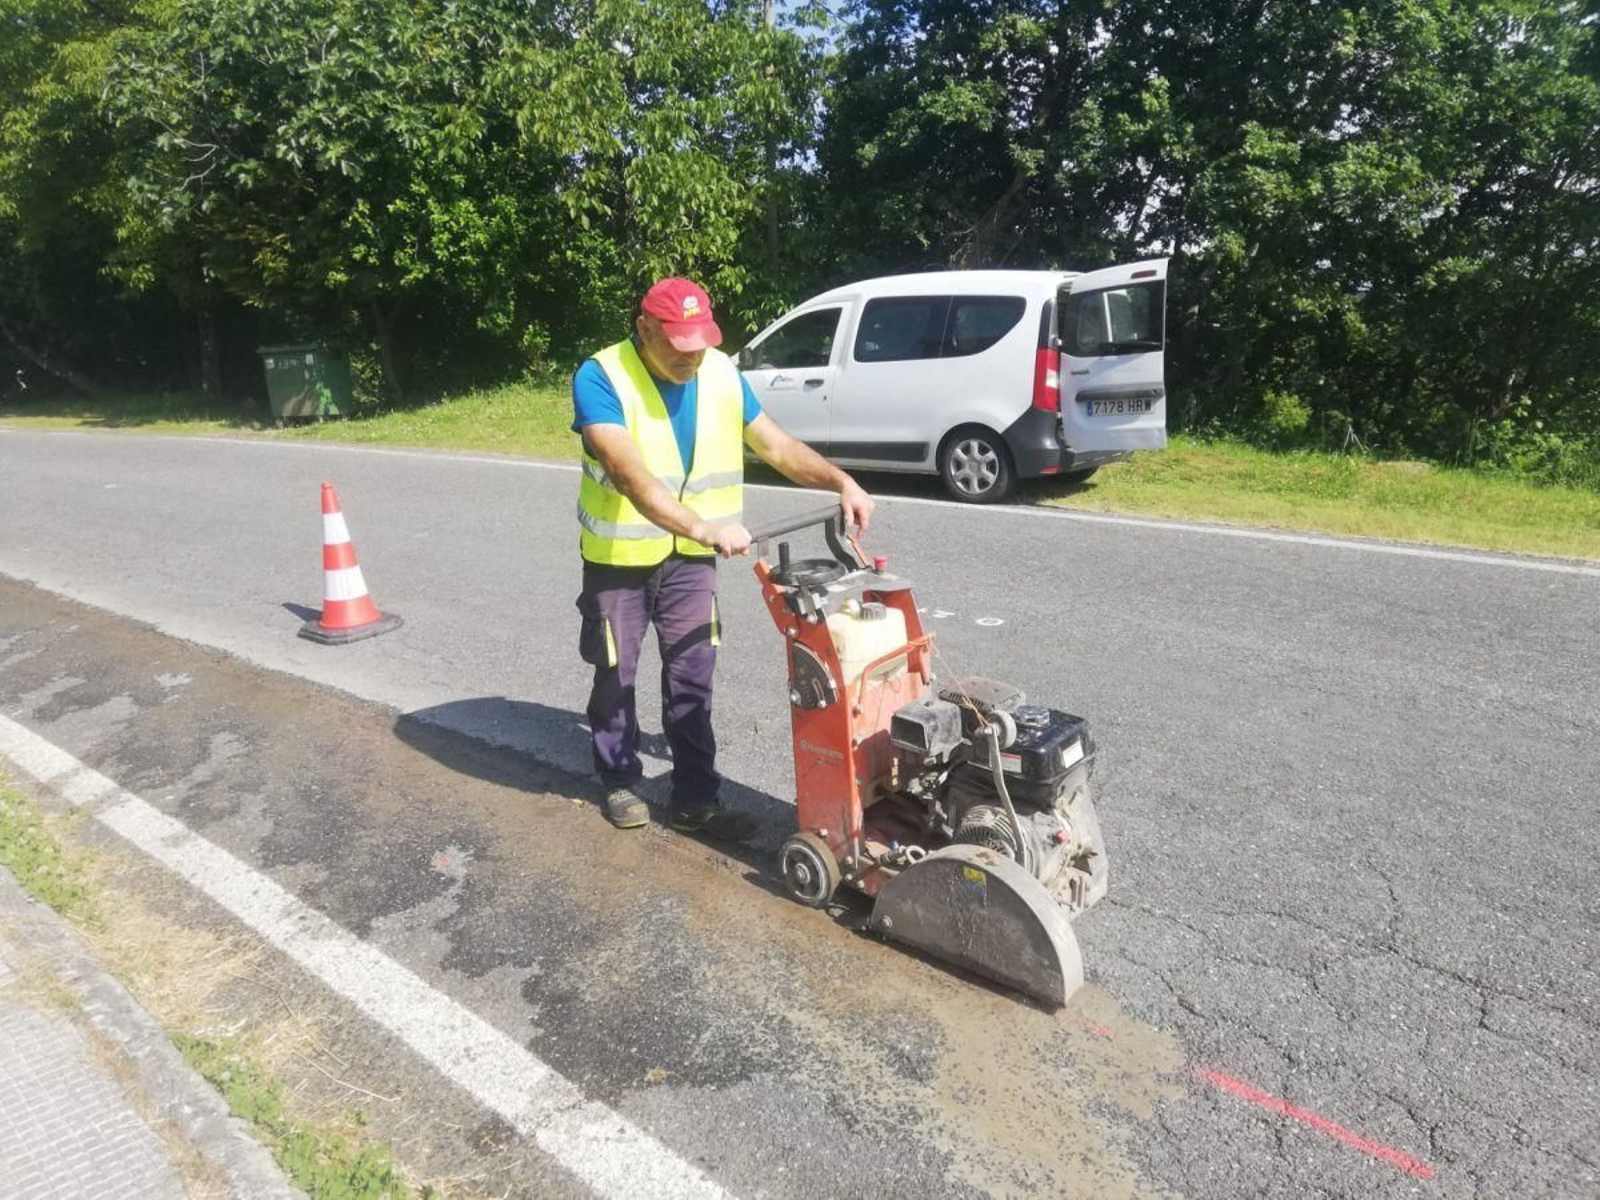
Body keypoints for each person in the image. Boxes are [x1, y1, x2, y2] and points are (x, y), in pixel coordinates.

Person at [573, 276, 874, 835]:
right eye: (678, 344)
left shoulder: (720, 373)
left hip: (690, 559)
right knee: (617, 675)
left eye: (701, 342)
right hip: (620, 557)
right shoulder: (601, 376)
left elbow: (776, 445)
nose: (692, 356)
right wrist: (703, 525)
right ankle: (618, 778)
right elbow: (627, 472)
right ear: (644, 329)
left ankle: (694, 799)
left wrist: (841, 482)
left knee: (693, 676)